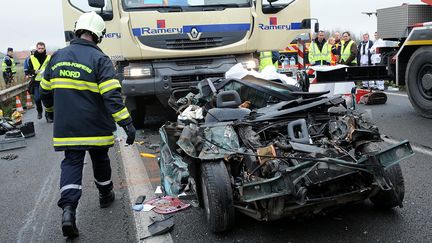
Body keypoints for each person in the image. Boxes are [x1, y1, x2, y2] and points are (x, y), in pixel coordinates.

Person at [40, 11, 136, 238]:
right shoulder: (100, 60)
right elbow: (112, 97)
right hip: (96, 126)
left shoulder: (57, 57)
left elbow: (44, 91)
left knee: (72, 162)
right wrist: (127, 123)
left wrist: (52, 113)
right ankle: (105, 195)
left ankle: (68, 211)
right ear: (99, 35)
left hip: (67, 128)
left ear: (78, 29)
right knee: (100, 157)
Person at [26, 42, 51, 121]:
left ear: (44, 48)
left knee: (46, 100)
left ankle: (48, 116)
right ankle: (39, 111)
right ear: (36, 49)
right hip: (36, 82)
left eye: (42, 48)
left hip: (46, 81)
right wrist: (34, 71)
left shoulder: (48, 57)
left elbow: (52, 67)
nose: (40, 50)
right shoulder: (32, 58)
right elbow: (29, 70)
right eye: (39, 48)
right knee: (37, 99)